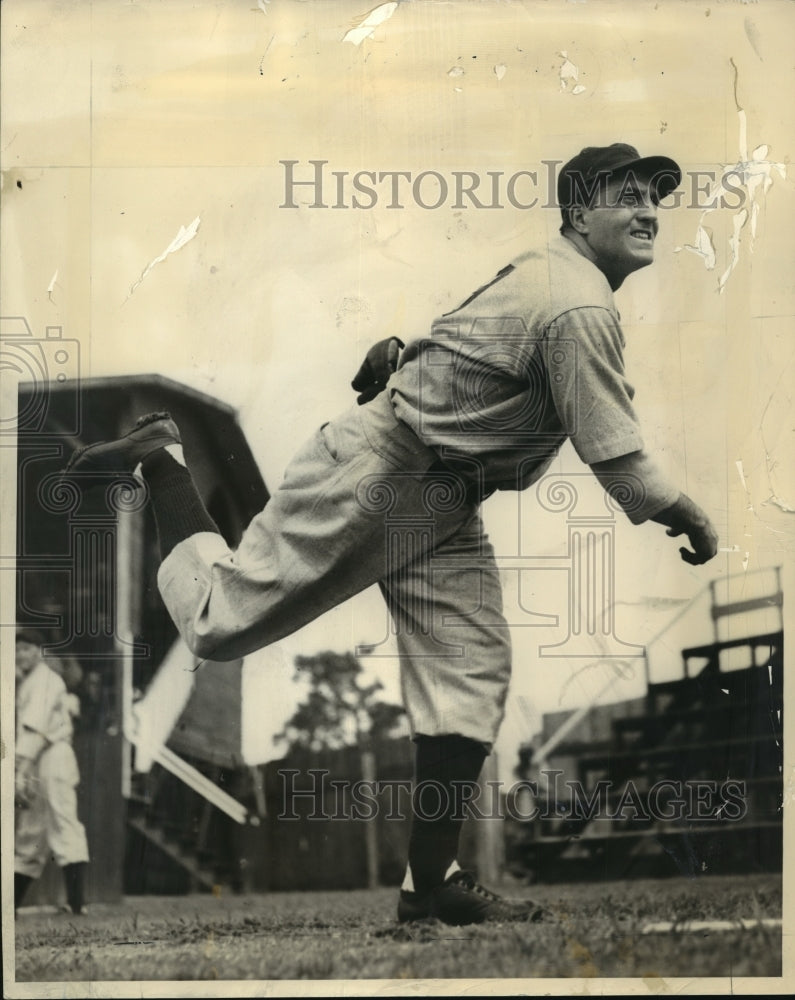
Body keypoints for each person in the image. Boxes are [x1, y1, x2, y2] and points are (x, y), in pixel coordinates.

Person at [63, 142, 718, 926]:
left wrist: (408, 359)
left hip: (442, 493)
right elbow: (619, 461)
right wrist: (689, 514)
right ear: (578, 212)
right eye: (627, 193)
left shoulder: (556, 278)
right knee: (215, 623)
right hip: (383, 468)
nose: (648, 208)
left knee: (470, 676)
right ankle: (165, 460)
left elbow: (470, 345)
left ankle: (428, 886)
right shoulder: (574, 298)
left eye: (656, 194)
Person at [14, 628, 90, 916]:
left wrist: (19, 767)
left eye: (27, 648)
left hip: (53, 756)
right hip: (37, 759)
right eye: (18, 649)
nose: (22, 654)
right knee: (30, 832)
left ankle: (77, 903)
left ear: (39, 652)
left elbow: (35, 728)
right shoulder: (31, 681)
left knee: (63, 821)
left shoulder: (45, 680)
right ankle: (10, 906)